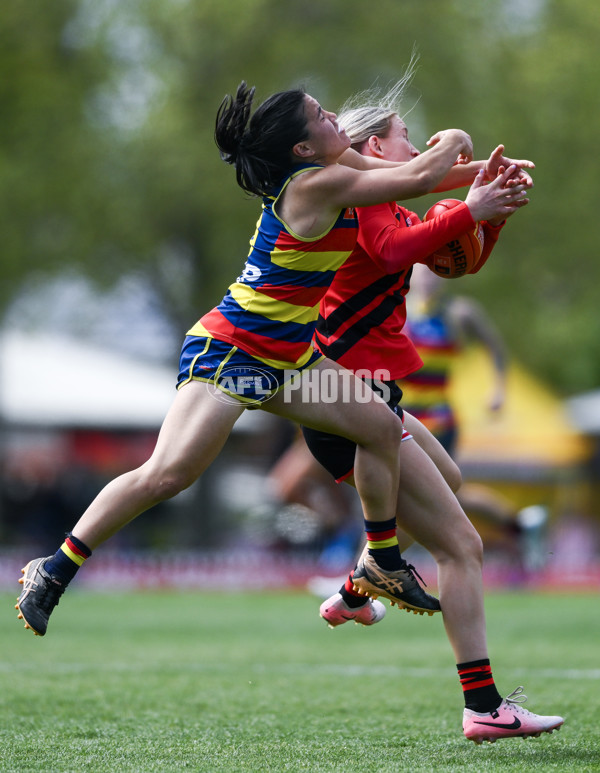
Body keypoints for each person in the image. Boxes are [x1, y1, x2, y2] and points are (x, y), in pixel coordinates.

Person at [15, 78, 491, 639]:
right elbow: (419, 176)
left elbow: (422, 179)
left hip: (291, 360)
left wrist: (487, 176)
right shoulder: (319, 184)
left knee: (380, 426)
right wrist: (456, 137)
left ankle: (382, 561)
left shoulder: (340, 173)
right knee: (170, 474)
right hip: (233, 352)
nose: (335, 114)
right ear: (304, 150)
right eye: (320, 114)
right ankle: (55, 569)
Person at [299, 76, 564, 743]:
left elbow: (449, 259)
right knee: (463, 543)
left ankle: (361, 589)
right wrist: (471, 199)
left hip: (359, 397)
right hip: (343, 399)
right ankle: (484, 705)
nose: (415, 144)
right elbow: (397, 249)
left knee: (448, 481)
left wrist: (490, 209)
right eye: (405, 136)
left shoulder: (384, 202)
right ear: (376, 149)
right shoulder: (361, 206)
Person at [400, 264, 549, 572]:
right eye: (422, 272)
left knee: (422, 490)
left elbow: (496, 349)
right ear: (410, 275)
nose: (429, 278)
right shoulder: (396, 309)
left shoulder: (459, 312)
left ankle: (371, 568)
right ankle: (520, 524)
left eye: (434, 272)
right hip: (400, 414)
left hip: (438, 419)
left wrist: (499, 389)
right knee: (438, 492)